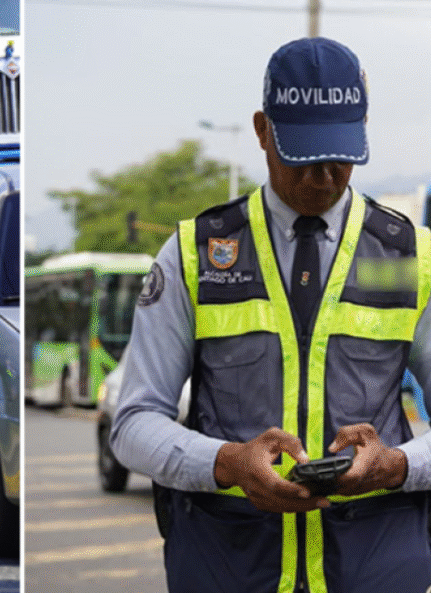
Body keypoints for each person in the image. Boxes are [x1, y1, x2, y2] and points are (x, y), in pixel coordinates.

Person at [110, 37, 431, 593]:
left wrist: (396, 465)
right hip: (227, 567)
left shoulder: (411, 260)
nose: (321, 177)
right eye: (301, 156)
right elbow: (134, 423)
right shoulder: (196, 256)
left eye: (339, 156)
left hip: (376, 567)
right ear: (262, 131)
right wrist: (227, 462)